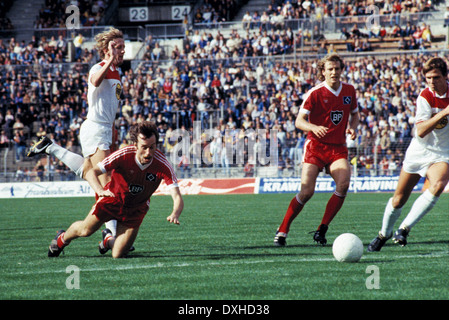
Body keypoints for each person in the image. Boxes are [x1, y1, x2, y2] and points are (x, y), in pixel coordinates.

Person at [28, 27, 125, 238]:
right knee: (105, 180)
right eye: (117, 47)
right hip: (96, 127)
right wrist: (108, 59)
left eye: (123, 47)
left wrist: (113, 130)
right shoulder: (98, 67)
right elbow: (95, 81)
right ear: (106, 50)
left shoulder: (118, 72)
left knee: (89, 172)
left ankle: (50, 147)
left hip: (105, 129)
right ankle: (110, 234)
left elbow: (110, 105)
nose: (122, 51)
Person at [47, 121, 183, 258]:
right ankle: (61, 239)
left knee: (118, 254)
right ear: (135, 145)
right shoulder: (123, 155)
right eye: (144, 147)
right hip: (112, 199)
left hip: (136, 209)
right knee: (85, 230)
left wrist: (175, 213)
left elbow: (177, 196)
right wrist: (100, 190)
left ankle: (107, 241)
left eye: (152, 147)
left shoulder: (163, 164)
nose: (148, 153)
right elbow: (91, 172)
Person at [274, 53, 359, 246]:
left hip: (337, 148)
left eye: (337, 68)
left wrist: (353, 127)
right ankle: (283, 229)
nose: (334, 72)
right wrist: (313, 127)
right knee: (306, 192)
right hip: (315, 148)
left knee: (344, 184)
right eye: (330, 69)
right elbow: (299, 121)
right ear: (323, 71)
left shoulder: (349, 90)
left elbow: (355, 115)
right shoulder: (315, 92)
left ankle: (322, 229)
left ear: (341, 70)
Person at [368, 57, 449, 251]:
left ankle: (404, 229)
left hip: (442, 153)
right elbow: (420, 131)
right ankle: (383, 234)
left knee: (438, 184)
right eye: (428, 77)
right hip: (419, 151)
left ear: (445, 76)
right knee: (398, 199)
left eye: (435, 77)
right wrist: (443, 113)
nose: (431, 82)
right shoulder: (425, 96)